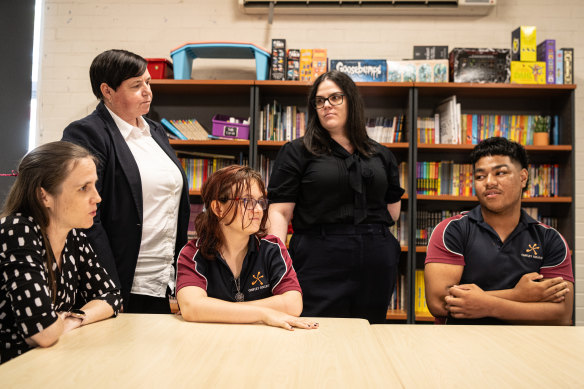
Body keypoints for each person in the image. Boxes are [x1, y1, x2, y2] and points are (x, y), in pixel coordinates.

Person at [266, 70, 404, 324]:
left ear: (351, 100)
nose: (326, 105)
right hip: (319, 255)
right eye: (319, 100)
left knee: (369, 332)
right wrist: (278, 261)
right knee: (317, 330)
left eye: (335, 97)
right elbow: (280, 212)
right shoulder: (297, 151)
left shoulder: (381, 154)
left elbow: (392, 211)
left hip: (376, 257)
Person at [62, 49, 190, 313]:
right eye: (136, 85)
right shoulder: (88, 133)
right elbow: (85, 216)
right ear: (107, 91)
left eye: (148, 82)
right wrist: (109, 282)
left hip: (164, 278)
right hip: (121, 279)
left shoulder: (155, 130)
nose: (147, 91)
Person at [425, 137, 573, 325]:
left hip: (527, 346)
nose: (489, 182)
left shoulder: (549, 239)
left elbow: (561, 314)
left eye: (500, 173)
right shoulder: (452, 230)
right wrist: (518, 295)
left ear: (523, 177)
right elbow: (438, 303)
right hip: (461, 346)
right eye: (480, 176)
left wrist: (488, 305)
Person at [0, 141, 121, 364]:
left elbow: (111, 297)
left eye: (95, 185)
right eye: (84, 188)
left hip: (48, 363)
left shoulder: (73, 236)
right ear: (44, 196)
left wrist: (74, 319)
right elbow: (43, 333)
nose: (97, 197)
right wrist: (58, 324)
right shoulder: (17, 230)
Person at [176, 165, 318, 331]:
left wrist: (213, 309)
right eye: (247, 201)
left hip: (262, 342)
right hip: (211, 342)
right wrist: (263, 314)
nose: (258, 210)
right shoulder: (192, 253)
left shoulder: (272, 248)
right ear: (217, 208)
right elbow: (192, 308)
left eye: (260, 202)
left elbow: (293, 304)